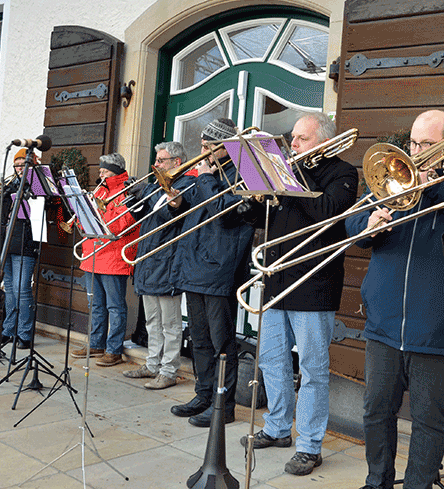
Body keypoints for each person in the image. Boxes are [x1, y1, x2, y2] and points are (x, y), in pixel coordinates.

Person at [345, 110, 444, 489]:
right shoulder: (391, 182)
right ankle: (377, 482)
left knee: (428, 420)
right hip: (384, 324)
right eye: (414, 144)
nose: (416, 152)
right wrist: (369, 225)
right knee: (375, 413)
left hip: (438, 328)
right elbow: (351, 224)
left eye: (427, 145)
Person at [241, 111, 358, 476]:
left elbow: (326, 212)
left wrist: (288, 175)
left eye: (301, 139)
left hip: (314, 284)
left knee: (312, 369)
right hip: (276, 280)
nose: (292, 145)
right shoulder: (286, 172)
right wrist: (256, 193)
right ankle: (277, 428)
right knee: (271, 360)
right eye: (292, 138)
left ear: (323, 139)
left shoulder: (343, 173)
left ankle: (310, 445)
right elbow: (257, 220)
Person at [168, 118, 254, 427]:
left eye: (207, 147)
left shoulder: (246, 173)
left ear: (224, 147)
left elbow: (227, 213)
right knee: (200, 339)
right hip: (195, 265)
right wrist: (177, 203)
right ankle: (203, 394)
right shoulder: (210, 173)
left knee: (221, 344)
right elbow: (195, 208)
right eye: (202, 146)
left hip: (220, 269)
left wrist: (205, 179)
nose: (201, 152)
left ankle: (223, 404)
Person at [123, 141, 194, 390]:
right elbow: (143, 219)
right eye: (156, 161)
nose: (156, 165)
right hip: (149, 259)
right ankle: (152, 364)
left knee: (171, 324)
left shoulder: (184, 185)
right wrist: (133, 196)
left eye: (161, 161)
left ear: (176, 162)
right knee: (152, 320)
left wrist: (149, 193)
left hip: (168, 261)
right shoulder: (156, 186)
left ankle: (169, 370)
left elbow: (171, 216)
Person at [70, 153, 140, 367]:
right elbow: (87, 222)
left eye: (104, 171)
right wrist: (82, 217)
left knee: (115, 305)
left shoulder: (126, 190)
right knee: (96, 304)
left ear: (115, 171)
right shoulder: (100, 190)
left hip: (114, 254)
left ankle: (114, 349)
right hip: (93, 252)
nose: (99, 174)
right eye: (100, 171)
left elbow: (123, 224)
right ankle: (96, 343)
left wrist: (97, 218)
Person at [0, 148, 40, 350]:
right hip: (4, 240)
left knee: (22, 289)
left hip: (25, 242)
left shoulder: (38, 184)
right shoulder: (9, 184)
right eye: (17, 164)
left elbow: (42, 205)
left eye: (24, 164)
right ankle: (8, 330)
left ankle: (25, 333)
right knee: (9, 288)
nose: (20, 168)